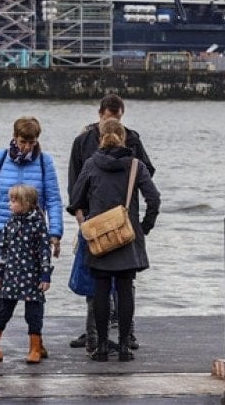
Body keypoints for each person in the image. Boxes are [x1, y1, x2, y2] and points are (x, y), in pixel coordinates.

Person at [67, 93, 156, 353]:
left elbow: (75, 189)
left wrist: (83, 213)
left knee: (101, 284)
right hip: (118, 224)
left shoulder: (118, 144)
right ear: (100, 114)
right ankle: (107, 337)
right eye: (108, 117)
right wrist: (143, 226)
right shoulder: (85, 141)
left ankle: (106, 341)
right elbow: (150, 188)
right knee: (118, 285)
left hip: (99, 224)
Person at [0, 116, 62, 358]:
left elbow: (53, 198)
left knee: (37, 288)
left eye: (31, 143)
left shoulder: (44, 162)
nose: (26, 147)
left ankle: (37, 340)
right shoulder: (0, 158)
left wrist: (55, 233)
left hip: (35, 232)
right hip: (3, 230)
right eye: (23, 142)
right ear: (14, 138)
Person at [0, 184, 52, 364]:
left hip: (33, 276)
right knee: (4, 310)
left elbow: (44, 251)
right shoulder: (10, 223)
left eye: (13, 201)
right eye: (10, 200)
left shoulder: (38, 224)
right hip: (11, 275)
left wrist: (45, 275)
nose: (10, 204)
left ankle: (35, 348)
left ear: (26, 203)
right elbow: (3, 249)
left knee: (34, 313)